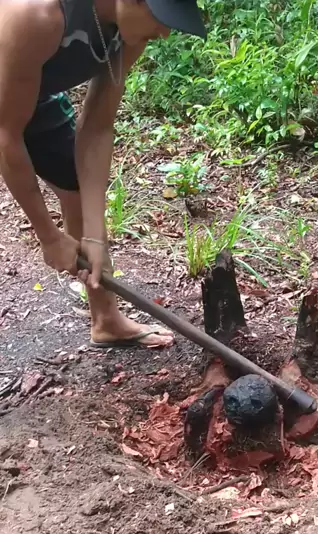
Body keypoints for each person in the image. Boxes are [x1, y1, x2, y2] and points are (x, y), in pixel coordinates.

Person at [0, 0, 206, 348]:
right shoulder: (37, 15)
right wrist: (49, 236)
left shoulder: (131, 28)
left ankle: (106, 320)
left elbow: (97, 126)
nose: (165, 32)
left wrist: (94, 236)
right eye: (161, 18)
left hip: (32, 88)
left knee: (76, 186)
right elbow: (6, 135)